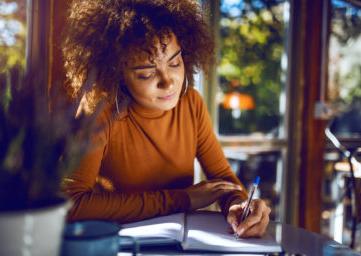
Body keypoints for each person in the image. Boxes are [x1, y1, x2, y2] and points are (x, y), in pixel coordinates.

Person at [62, 0, 271, 238]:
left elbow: (222, 180)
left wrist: (239, 205)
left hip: (180, 244)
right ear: (116, 75)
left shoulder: (191, 103)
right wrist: (182, 199)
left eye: (175, 63)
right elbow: (72, 202)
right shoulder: (99, 111)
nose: (168, 81)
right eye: (146, 73)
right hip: (113, 243)